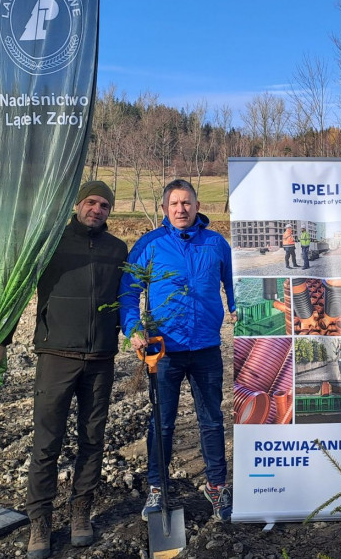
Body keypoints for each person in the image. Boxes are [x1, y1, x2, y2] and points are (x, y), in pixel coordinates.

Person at [0, 180, 128, 559]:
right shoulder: (50, 243)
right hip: (55, 355)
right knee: (46, 443)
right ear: (78, 205)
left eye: (104, 205)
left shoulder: (117, 249)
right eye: (90, 202)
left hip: (101, 359)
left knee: (92, 439)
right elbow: (18, 288)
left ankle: (81, 512)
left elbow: (127, 297)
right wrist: (2, 339)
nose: (96, 209)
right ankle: (40, 521)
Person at [119, 179, 237, 522]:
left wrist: (236, 307)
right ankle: (157, 487)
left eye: (186, 203)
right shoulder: (150, 244)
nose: (181, 209)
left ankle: (216, 486)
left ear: (198, 206)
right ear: (164, 209)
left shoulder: (216, 244)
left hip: (206, 348)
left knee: (212, 420)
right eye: (174, 204)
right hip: (163, 350)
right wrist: (133, 328)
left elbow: (234, 284)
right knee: (162, 422)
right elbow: (128, 292)